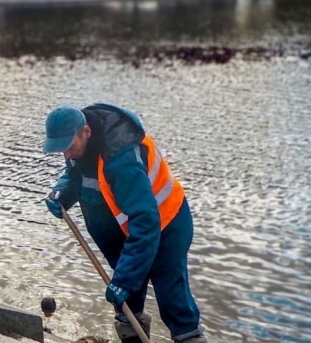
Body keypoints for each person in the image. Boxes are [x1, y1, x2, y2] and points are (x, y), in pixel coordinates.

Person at [42, 103, 207, 343]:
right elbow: (77, 175)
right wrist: (63, 194)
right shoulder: (82, 147)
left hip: (165, 226)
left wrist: (124, 280)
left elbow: (146, 221)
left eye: (68, 147)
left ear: (86, 132)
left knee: (174, 303)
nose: (65, 155)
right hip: (128, 234)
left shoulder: (121, 158)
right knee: (127, 307)